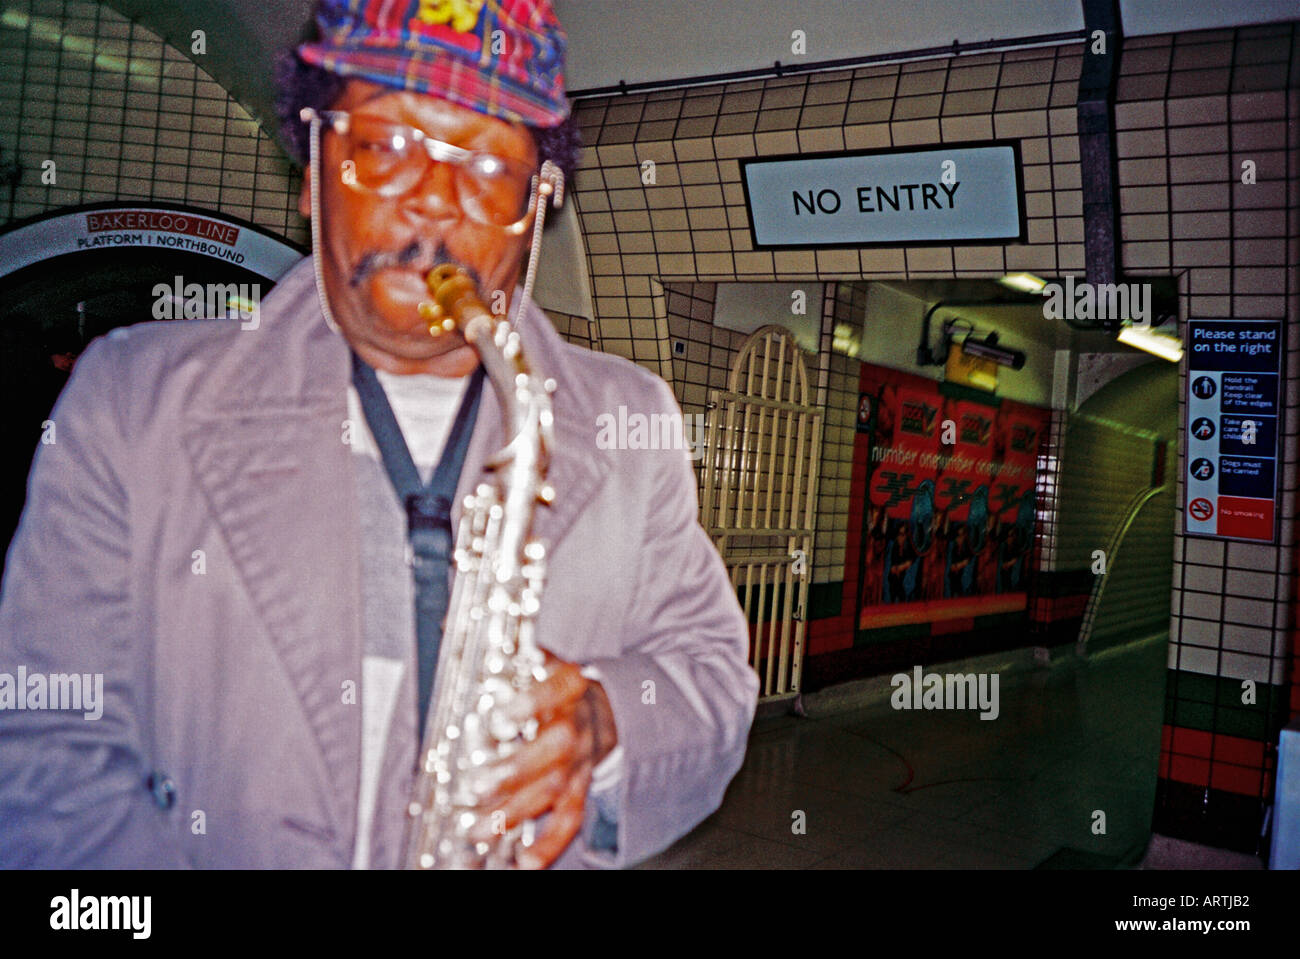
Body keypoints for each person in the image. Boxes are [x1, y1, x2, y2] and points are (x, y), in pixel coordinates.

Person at [0, 0, 758, 869]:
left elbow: (711, 683)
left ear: (535, 207)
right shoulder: (131, 403)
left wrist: (607, 720)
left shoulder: (635, 423)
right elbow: (45, 747)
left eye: (484, 164)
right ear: (317, 170)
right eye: (386, 146)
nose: (434, 202)